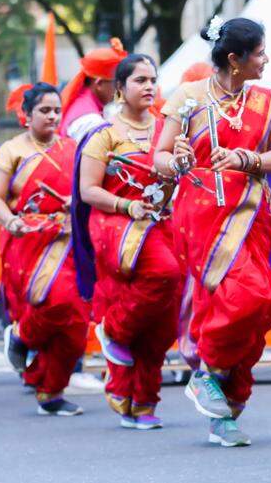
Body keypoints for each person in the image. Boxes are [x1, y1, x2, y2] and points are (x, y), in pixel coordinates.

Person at [154, 17, 271, 447]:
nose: (266, 60)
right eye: (260, 53)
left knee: (261, 306)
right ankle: (207, 372)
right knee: (239, 297)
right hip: (201, 210)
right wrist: (180, 159)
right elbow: (160, 159)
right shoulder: (187, 97)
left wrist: (248, 159)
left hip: (252, 211)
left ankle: (224, 405)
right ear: (235, 59)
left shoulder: (267, 102)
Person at [73, 53, 188, 430]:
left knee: (163, 317)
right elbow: (88, 191)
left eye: (153, 80)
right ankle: (114, 331)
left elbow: (174, 184)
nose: (150, 87)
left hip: (161, 223)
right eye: (140, 80)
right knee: (164, 274)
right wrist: (128, 205)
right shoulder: (104, 135)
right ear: (119, 89)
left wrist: (181, 165)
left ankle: (142, 399)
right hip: (117, 225)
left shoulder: (167, 131)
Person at [0, 83, 90, 415]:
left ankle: (50, 390)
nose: (52, 116)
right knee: (56, 303)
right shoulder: (11, 150)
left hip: (68, 238)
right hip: (29, 239)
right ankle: (22, 335)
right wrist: (11, 221)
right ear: (27, 114)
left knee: (76, 326)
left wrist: (73, 203)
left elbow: (85, 192)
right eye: (44, 110)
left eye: (56, 110)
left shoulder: (74, 148)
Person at [60, 39, 128, 140]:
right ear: (99, 83)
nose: (119, 89)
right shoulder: (89, 121)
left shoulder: (83, 102)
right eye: (115, 83)